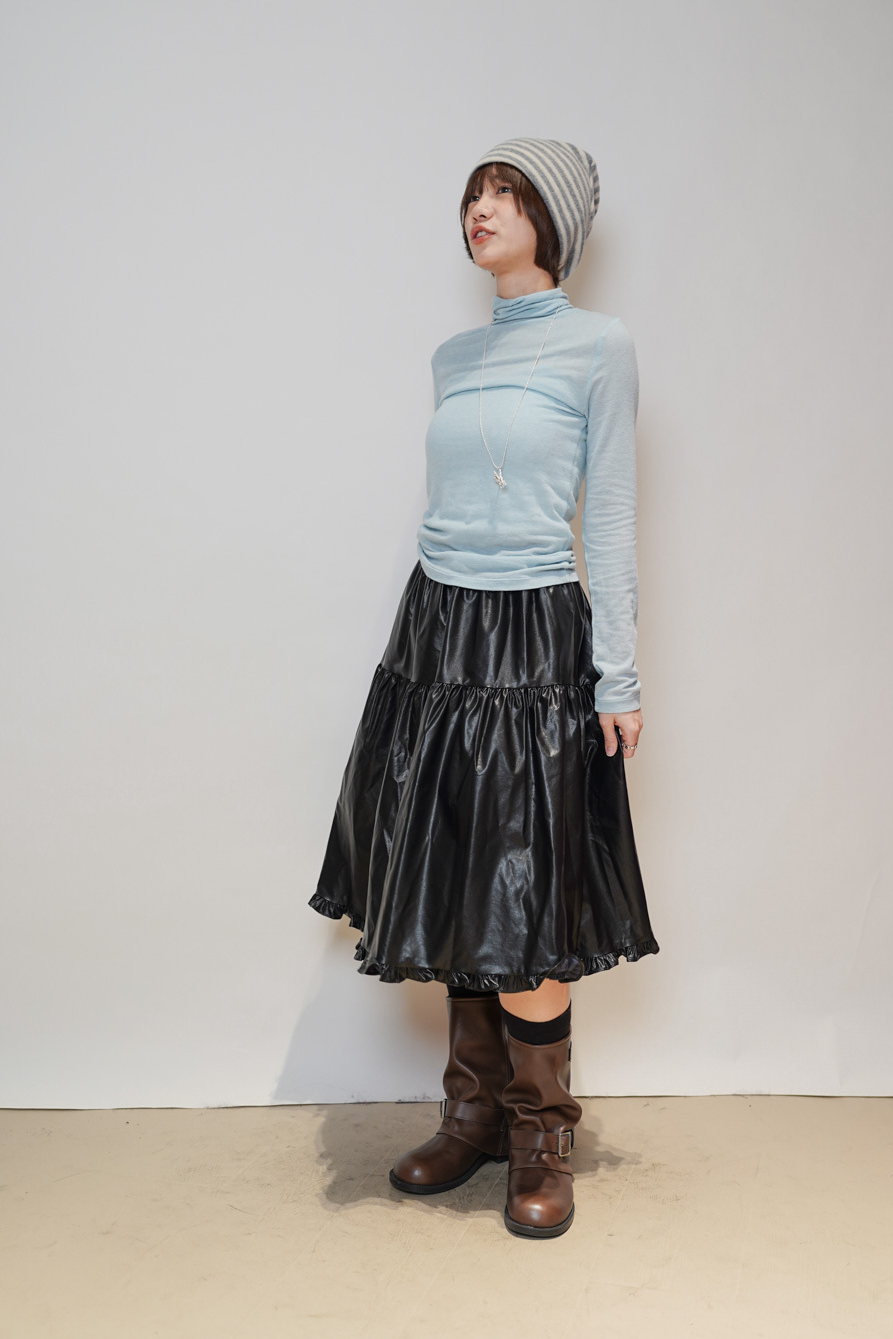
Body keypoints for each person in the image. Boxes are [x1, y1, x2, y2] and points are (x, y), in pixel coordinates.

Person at [309, 137, 658, 1239]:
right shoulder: (453, 356)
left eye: (505, 193)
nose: (482, 209)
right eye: (473, 194)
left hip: (534, 635)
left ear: (553, 219)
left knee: (527, 890)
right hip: (439, 632)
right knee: (458, 868)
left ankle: (540, 1134)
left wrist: (618, 675)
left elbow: (609, 517)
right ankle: (473, 1117)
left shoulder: (599, 346)